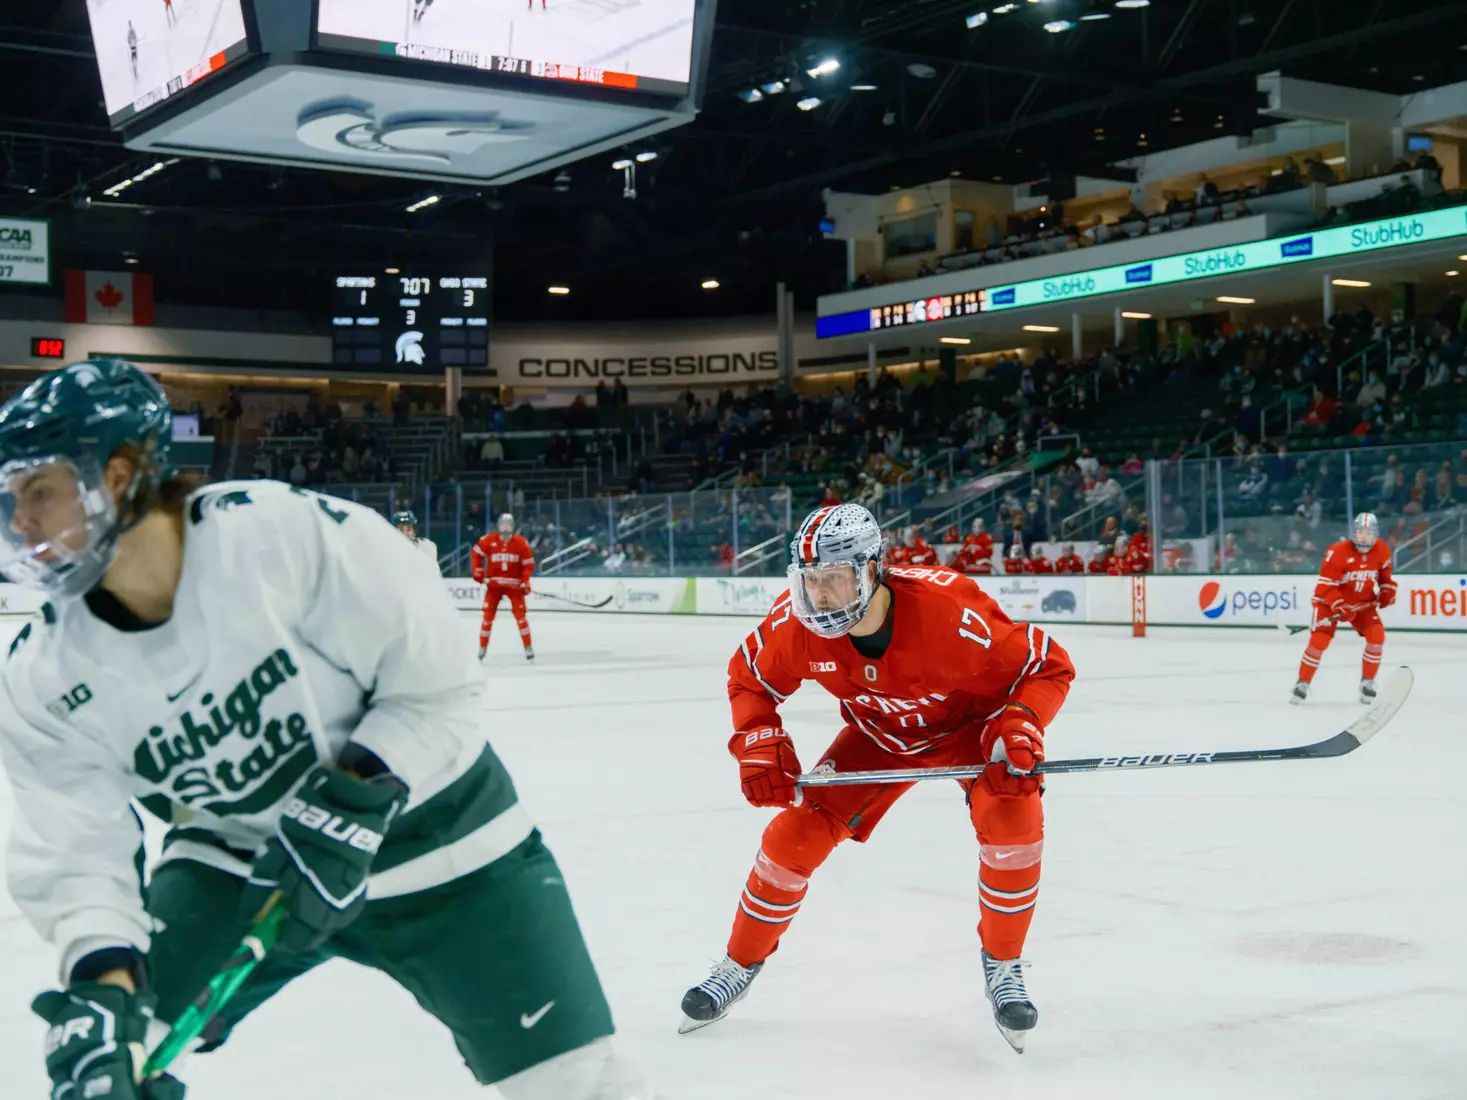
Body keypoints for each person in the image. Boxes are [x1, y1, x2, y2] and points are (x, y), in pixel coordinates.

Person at [0, 360, 646, 1100]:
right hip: (244, 863)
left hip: (443, 847)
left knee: (579, 1084)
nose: (20, 521)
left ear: (116, 477)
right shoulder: (42, 676)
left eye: (38, 492)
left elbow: (434, 687)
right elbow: (76, 857)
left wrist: (352, 800)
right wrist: (103, 986)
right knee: (121, 1056)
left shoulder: (281, 536)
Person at [677, 504, 1074, 1053]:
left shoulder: (950, 612)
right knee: (792, 837)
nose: (821, 597)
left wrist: (1020, 725)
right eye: (811, 582)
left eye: (835, 580)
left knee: (1014, 823)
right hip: (878, 737)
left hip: (968, 732)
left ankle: (1003, 963)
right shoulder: (796, 628)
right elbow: (748, 680)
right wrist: (758, 742)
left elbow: (1046, 664)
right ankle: (737, 964)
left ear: (872, 569)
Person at [1292, 512, 1396, 705]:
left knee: (1377, 636)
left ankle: (1368, 682)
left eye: (1368, 532)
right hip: (1328, 603)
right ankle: (1303, 683)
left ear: (1376, 534)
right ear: (1354, 533)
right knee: (1320, 639)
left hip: (1361, 603)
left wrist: (1387, 591)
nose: (1364, 536)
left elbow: (1385, 578)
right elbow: (1325, 586)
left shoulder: (1382, 550)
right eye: (1360, 532)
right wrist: (1339, 605)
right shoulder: (1338, 551)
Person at [472, 513, 536, 661]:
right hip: (494, 587)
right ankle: (482, 648)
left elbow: (528, 564)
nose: (506, 527)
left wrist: (525, 581)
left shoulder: (521, 542)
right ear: (498, 525)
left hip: (514, 586)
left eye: (509, 524)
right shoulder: (489, 540)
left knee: (521, 616)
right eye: (503, 524)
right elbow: (476, 554)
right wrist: (478, 571)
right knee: (487, 617)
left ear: (513, 526)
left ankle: (528, 647)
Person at [392, 509, 440, 575]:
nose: (405, 533)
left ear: (414, 531)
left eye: (408, 529)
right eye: (401, 530)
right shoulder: (388, 549)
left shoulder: (425, 546)